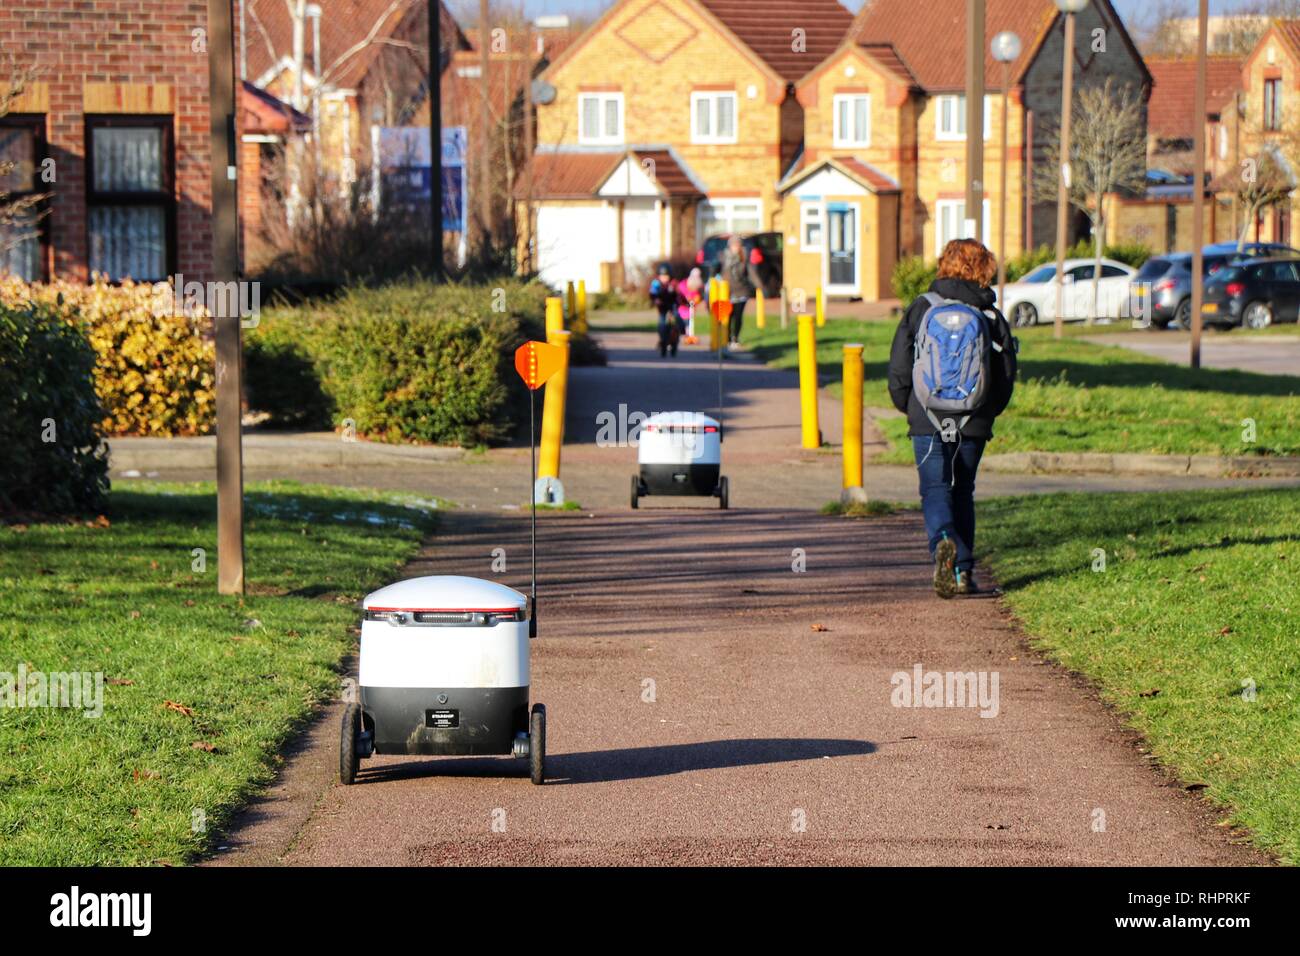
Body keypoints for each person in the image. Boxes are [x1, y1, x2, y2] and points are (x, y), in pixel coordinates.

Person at [887, 238, 1017, 599]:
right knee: (963, 492)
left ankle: (943, 540)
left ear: (944, 264)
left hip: (928, 417)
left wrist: (909, 408)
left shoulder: (921, 307)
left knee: (935, 489)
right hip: (973, 419)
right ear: (984, 268)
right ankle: (963, 574)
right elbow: (1006, 374)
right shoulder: (990, 316)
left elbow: (899, 366)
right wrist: (988, 412)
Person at [718, 235, 756, 349]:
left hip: (741, 291)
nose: (736, 247)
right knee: (728, 315)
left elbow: (751, 273)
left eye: (738, 245)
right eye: (734, 245)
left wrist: (758, 286)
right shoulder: (723, 257)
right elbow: (717, 271)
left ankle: (735, 338)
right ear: (730, 246)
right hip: (727, 291)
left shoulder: (744, 257)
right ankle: (727, 338)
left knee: (738, 316)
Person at [649, 263, 680, 357]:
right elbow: (652, 294)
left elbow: (679, 295)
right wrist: (655, 299)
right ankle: (663, 341)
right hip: (662, 308)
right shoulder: (656, 284)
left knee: (675, 324)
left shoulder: (673, 283)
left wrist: (680, 301)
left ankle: (674, 341)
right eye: (662, 276)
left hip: (672, 307)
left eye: (666, 276)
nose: (664, 278)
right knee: (662, 325)